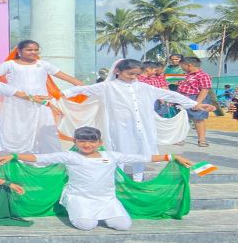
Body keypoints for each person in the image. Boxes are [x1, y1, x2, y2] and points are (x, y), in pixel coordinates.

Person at [0, 126, 194, 231]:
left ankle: (105, 214)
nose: (87, 145)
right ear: (75, 142)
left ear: (100, 142)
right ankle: (79, 211)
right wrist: (14, 156)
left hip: (107, 199)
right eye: (82, 141)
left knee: (123, 226)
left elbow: (140, 157)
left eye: (92, 141)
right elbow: (42, 158)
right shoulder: (70, 156)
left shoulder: (111, 155)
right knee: (86, 225)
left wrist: (171, 156)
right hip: (79, 198)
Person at [63, 59, 214, 181]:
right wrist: (59, 94)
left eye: (137, 74)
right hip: (119, 126)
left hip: (142, 126)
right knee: (119, 151)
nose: (133, 77)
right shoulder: (107, 87)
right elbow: (82, 90)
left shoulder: (144, 87)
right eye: (130, 74)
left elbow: (170, 95)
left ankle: (138, 179)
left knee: (142, 150)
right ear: (117, 71)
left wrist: (195, 104)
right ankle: (119, 180)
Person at [0, 40, 83, 154]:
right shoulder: (10, 65)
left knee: (45, 131)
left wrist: (85, 87)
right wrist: (9, 91)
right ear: (19, 51)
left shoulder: (44, 65)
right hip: (16, 104)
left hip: (41, 104)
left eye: (36, 50)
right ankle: (16, 157)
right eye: (29, 50)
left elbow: (66, 77)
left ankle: (46, 157)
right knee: (17, 130)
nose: (33, 52)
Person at [177, 56, 214, 147]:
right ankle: (180, 138)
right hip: (184, 98)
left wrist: (198, 103)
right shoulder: (185, 75)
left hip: (196, 98)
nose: (181, 67)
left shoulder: (203, 75)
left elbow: (205, 89)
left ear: (188, 65)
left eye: (182, 65)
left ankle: (202, 140)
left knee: (198, 119)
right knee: (183, 119)